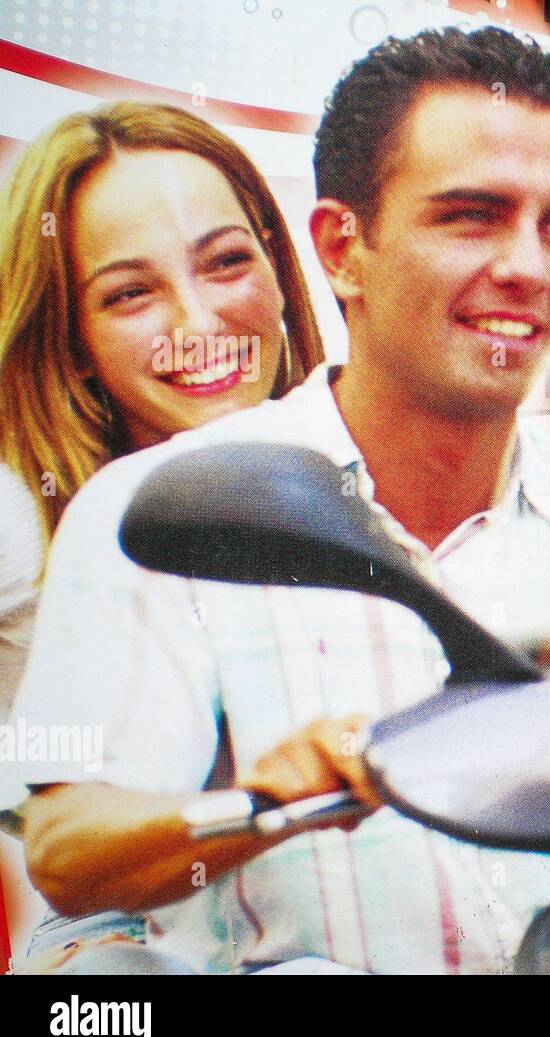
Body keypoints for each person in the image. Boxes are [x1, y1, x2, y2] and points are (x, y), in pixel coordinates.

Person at [14, 27, 550, 974]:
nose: (529, 266)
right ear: (341, 249)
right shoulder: (157, 512)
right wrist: (265, 800)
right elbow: (69, 851)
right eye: (472, 216)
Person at [0, 101, 326, 971]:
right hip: (121, 936)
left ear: (280, 271)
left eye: (226, 263)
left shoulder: (350, 469)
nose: (198, 321)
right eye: (131, 293)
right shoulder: (31, 523)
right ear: (73, 343)